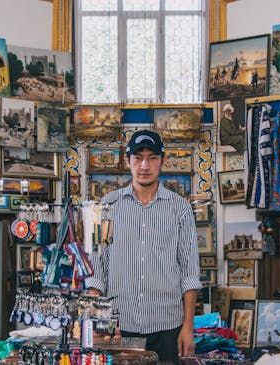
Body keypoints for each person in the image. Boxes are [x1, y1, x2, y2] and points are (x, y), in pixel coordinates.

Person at [85, 130, 202, 363]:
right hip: (119, 327)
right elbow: (96, 271)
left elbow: (190, 273)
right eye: (138, 158)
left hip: (167, 328)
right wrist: (97, 323)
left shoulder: (180, 208)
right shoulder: (106, 205)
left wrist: (188, 327)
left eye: (153, 157)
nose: (145, 165)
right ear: (127, 161)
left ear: (163, 161)